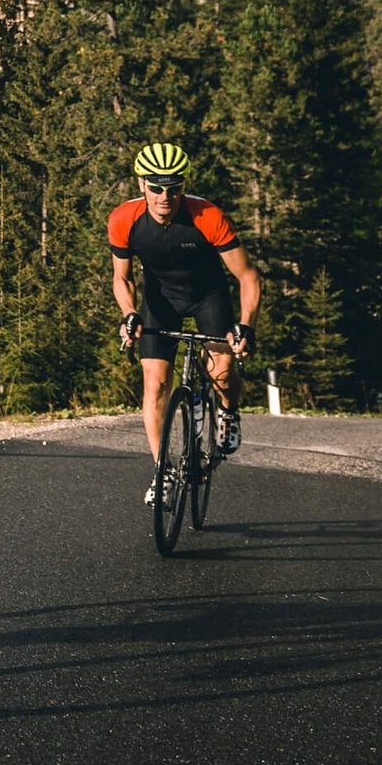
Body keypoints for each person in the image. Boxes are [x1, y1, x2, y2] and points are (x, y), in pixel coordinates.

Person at [109, 142, 261, 504]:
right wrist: (129, 314)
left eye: (174, 187)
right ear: (141, 184)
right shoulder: (123, 219)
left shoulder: (206, 216)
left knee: (222, 372)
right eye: (157, 187)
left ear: (183, 185)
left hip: (208, 295)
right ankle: (164, 471)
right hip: (160, 302)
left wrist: (246, 325)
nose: (165, 196)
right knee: (155, 385)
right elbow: (122, 278)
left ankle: (228, 411)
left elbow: (248, 277)